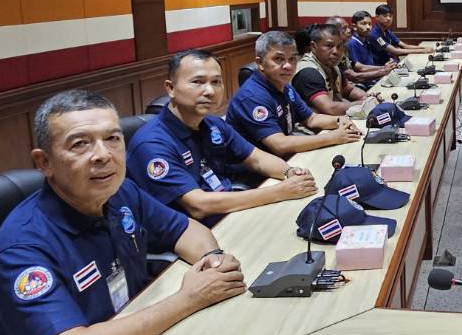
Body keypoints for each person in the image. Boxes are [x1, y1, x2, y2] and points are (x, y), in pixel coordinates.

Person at [0, 90, 246, 335]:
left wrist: (212, 263)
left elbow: (188, 231)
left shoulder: (120, 192)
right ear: (44, 162)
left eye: (112, 139)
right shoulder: (21, 248)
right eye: (81, 144)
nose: (103, 155)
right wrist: (189, 298)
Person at [128, 49, 317, 224]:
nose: (210, 91)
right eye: (198, 82)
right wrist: (280, 191)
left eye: (216, 82)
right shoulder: (152, 143)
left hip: (230, 211)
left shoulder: (213, 124)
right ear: (171, 88)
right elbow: (198, 205)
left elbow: (256, 158)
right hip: (193, 232)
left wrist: (290, 172)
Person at [227, 30, 364, 156]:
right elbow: (279, 145)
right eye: (279, 59)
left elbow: (311, 119)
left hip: (283, 158)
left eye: (292, 59)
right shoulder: (252, 97)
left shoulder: (285, 87)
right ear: (260, 63)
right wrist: (333, 137)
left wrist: (339, 120)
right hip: (253, 171)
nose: (288, 66)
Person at [293, 22, 366, 115]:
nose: (336, 51)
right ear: (313, 47)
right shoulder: (308, 72)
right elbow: (330, 108)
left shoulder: (332, 65)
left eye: (339, 46)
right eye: (329, 46)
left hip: (331, 119)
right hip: (312, 123)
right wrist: (364, 104)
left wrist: (367, 97)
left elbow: (348, 90)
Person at [328, 13, 392, 90]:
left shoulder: (344, 47)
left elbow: (357, 66)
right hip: (355, 84)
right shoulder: (352, 43)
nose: (349, 30)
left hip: (356, 83)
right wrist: (383, 71)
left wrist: (384, 68)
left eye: (370, 24)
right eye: (344, 28)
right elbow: (355, 74)